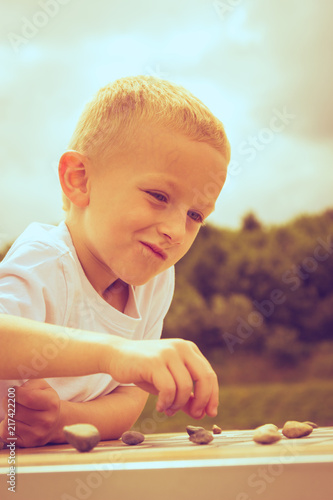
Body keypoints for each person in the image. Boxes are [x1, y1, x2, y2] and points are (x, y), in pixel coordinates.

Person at [0, 76, 230, 448]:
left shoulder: (156, 278)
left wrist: (62, 421)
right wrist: (116, 353)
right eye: (158, 196)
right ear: (80, 180)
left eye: (196, 216)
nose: (175, 230)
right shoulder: (46, 260)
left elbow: (130, 397)